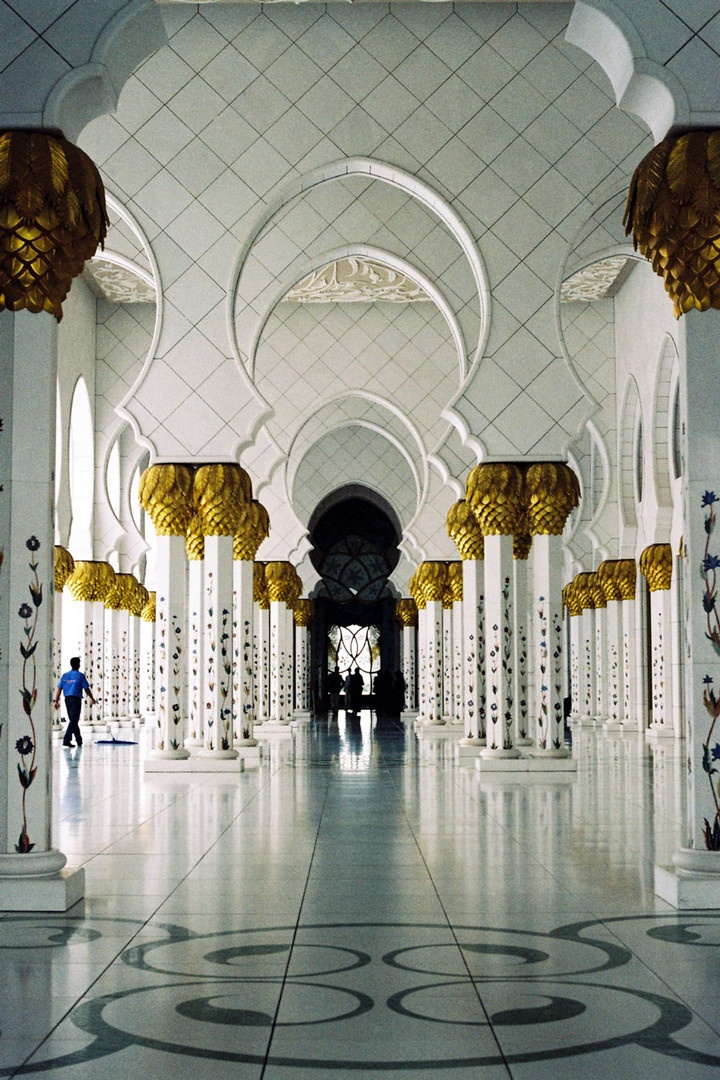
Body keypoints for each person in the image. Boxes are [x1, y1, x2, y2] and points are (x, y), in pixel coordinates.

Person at [54, 656, 97, 747]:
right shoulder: (80, 676)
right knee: (74, 719)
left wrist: (56, 700)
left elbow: (59, 688)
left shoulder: (65, 675)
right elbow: (86, 688)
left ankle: (79, 740)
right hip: (75, 699)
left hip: (67, 699)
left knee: (73, 720)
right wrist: (92, 698)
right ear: (78, 665)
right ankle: (66, 739)